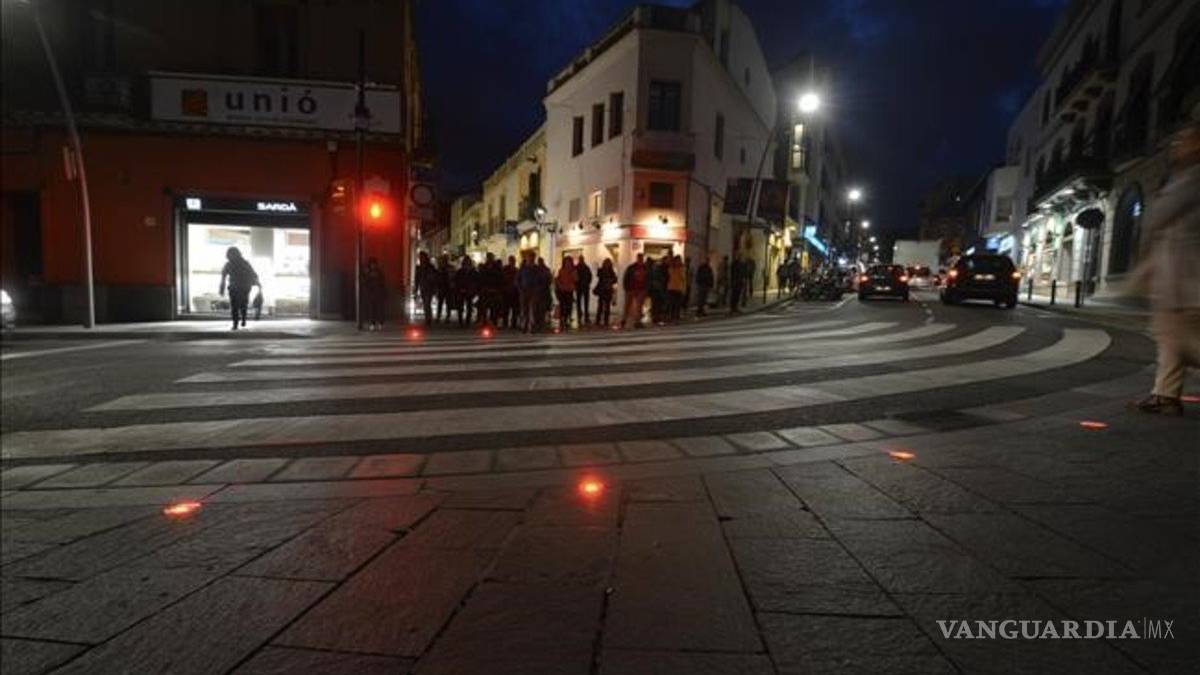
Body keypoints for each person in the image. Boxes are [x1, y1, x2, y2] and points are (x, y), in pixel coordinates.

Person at [1127, 122, 1200, 416]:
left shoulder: (1192, 178)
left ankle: (1165, 395)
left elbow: (1160, 216)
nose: (1176, 146)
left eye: (1184, 140)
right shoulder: (1187, 177)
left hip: (1186, 278)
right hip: (1178, 277)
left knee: (1184, 340)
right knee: (1169, 336)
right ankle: (1165, 395)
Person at [218, 246, 259, 330]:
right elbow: (254, 274)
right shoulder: (244, 263)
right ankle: (241, 320)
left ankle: (237, 322)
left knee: (235, 305)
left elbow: (223, 276)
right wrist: (256, 282)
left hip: (236, 287)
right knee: (242, 304)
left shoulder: (229, 264)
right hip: (244, 287)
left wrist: (222, 288)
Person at [622, 252, 648, 328]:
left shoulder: (645, 268)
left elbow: (648, 278)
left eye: (641, 258)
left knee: (639, 306)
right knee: (628, 305)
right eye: (639, 258)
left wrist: (646, 288)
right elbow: (626, 277)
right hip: (631, 288)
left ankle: (637, 321)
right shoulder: (632, 267)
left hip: (641, 289)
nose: (640, 260)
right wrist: (626, 288)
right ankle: (624, 319)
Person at [362, 257, 387, 331]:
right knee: (372, 310)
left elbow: (382, 283)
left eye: (374, 264)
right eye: (372, 264)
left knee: (378, 310)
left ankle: (379, 323)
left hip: (377, 293)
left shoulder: (378, 272)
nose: (373, 265)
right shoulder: (369, 272)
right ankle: (373, 323)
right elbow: (365, 283)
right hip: (372, 294)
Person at [517, 252, 539, 333]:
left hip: (533, 291)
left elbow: (541, 279)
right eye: (529, 257)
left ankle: (532, 326)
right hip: (524, 291)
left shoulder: (536, 268)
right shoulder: (523, 268)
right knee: (524, 309)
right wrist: (520, 288)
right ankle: (524, 325)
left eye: (532, 257)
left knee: (533, 309)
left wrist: (538, 288)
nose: (531, 259)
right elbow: (518, 279)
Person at [454, 256, 479, 327]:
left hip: (469, 291)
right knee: (460, 306)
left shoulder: (473, 272)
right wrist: (459, 288)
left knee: (469, 306)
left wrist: (474, 289)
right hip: (461, 290)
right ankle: (461, 321)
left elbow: (476, 281)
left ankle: (467, 321)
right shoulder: (460, 271)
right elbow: (456, 281)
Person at [414, 251, 437, 327]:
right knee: (425, 303)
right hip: (423, 288)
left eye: (422, 257)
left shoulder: (430, 267)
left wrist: (434, 288)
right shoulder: (419, 268)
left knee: (427, 303)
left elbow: (434, 278)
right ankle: (428, 318)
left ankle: (428, 319)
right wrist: (416, 289)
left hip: (429, 288)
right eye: (420, 257)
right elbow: (417, 279)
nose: (421, 259)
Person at [555, 255, 577, 331]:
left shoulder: (573, 271)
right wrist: (559, 285)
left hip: (569, 290)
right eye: (567, 262)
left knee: (569, 306)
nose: (568, 264)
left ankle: (567, 318)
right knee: (563, 305)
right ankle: (562, 319)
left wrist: (573, 275)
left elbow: (576, 279)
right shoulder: (561, 270)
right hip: (562, 291)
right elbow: (557, 279)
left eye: (569, 262)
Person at [595, 258, 617, 326]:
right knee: (600, 305)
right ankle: (598, 320)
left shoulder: (611, 271)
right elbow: (599, 276)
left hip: (608, 290)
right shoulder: (601, 270)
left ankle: (606, 320)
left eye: (608, 263)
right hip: (602, 289)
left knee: (607, 306)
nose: (607, 265)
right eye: (606, 263)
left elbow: (615, 279)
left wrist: (610, 281)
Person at [667, 254, 686, 322]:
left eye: (679, 260)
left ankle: (676, 316)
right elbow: (669, 274)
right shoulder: (671, 268)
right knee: (672, 303)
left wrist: (684, 288)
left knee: (678, 303)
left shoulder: (682, 268)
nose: (678, 262)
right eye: (677, 260)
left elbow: (683, 278)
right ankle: (671, 316)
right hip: (671, 288)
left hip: (679, 288)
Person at [434, 254, 453, 323]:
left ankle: (446, 317)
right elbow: (437, 278)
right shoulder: (440, 268)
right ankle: (440, 316)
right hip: (442, 287)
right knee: (441, 303)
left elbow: (452, 277)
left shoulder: (447, 268)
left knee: (447, 303)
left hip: (447, 288)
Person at [502, 255, 519, 329]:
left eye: (513, 261)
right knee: (506, 308)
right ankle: (505, 322)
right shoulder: (505, 269)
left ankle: (513, 323)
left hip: (514, 292)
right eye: (512, 261)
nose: (513, 262)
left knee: (514, 309)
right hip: (507, 291)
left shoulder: (516, 270)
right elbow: (503, 279)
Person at [575, 256, 593, 326]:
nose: (581, 260)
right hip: (581, 287)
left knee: (583, 302)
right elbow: (590, 276)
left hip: (583, 287)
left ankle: (584, 315)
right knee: (580, 302)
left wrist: (587, 283)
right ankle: (581, 315)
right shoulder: (584, 268)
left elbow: (590, 276)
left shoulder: (584, 268)